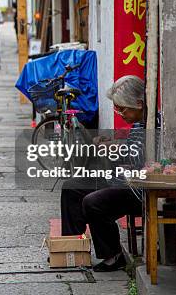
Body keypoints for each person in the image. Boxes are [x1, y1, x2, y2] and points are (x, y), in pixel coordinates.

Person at [60, 75, 147, 272]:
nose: (119, 113)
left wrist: (115, 149)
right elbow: (132, 148)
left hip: (136, 188)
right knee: (72, 187)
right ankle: (73, 249)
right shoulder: (138, 123)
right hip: (121, 179)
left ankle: (113, 255)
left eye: (122, 108)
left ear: (139, 104)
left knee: (93, 201)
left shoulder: (154, 123)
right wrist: (112, 144)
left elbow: (143, 159)